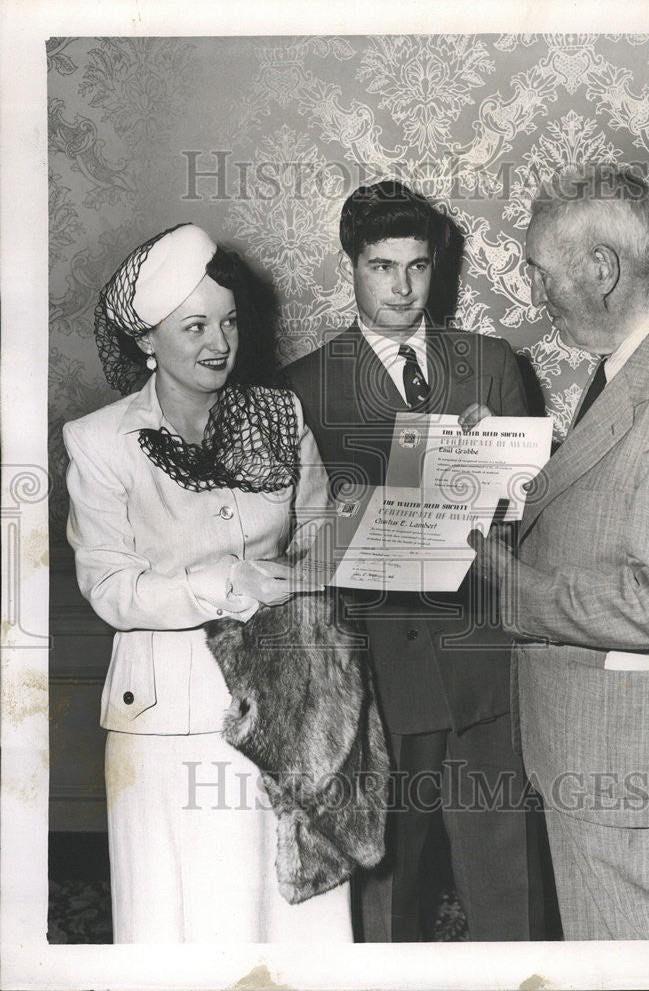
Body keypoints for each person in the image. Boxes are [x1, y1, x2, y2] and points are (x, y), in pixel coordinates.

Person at [471, 165, 649, 940]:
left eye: (540, 270)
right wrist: (509, 463)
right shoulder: (639, 361)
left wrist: (512, 590)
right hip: (601, 749)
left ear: (601, 269)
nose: (536, 293)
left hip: (630, 761)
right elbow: (619, 500)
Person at [63, 223, 353, 943]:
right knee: (188, 920)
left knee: (292, 918)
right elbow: (110, 588)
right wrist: (229, 582)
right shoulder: (99, 442)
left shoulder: (278, 415)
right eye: (193, 327)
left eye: (227, 321)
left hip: (287, 706)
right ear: (145, 342)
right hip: (168, 726)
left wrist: (349, 542)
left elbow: (315, 528)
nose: (217, 343)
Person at [284, 180, 547, 942]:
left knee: (509, 882)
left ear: (438, 268)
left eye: (418, 266)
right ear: (351, 267)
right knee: (385, 883)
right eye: (381, 266)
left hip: (484, 660)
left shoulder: (492, 365)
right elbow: (297, 540)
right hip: (380, 669)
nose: (402, 287)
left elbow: (533, 512)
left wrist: (495, 458)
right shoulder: (303, 386)